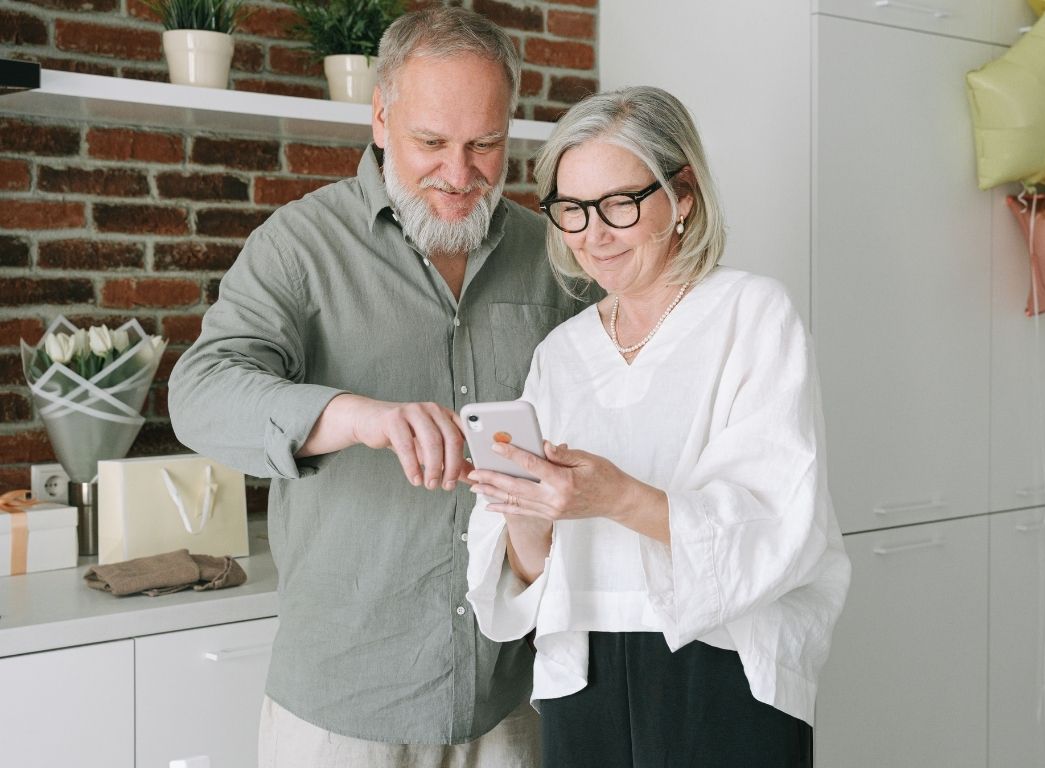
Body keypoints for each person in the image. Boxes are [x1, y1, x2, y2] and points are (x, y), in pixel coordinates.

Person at [168, 7, 591, 767]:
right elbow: (199, 392)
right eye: (431, 143)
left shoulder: (553, 255)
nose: (459, 176)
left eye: (485, 145)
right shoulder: (300, 245)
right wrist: (350, 414)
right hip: (343, 712)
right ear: (380, 118)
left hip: (511, 699)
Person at [463, 86, 851, 767]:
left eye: (619, 203)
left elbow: (782, 521)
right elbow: (524, 575)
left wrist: (615, 496)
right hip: (580, 674)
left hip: (719, 666)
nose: (594, 234)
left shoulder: (752, 315)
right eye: (572, 210)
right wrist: (525, 510)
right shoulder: (561, 353)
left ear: (684, 196)